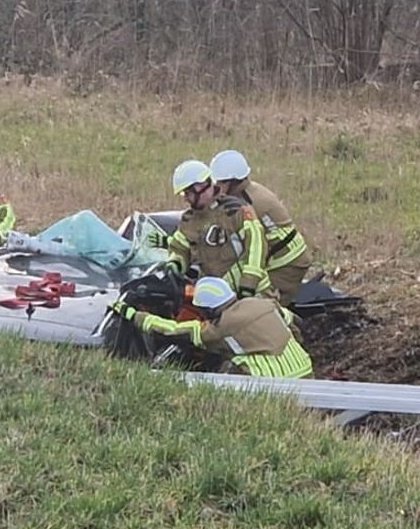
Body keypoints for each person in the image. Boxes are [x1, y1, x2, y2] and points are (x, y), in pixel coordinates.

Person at [109, 276, 313, 378]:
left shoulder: (220, 328)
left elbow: (171, 329)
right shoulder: (263, 304)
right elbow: (294, 322)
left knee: (226, 367)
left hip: (274, 382)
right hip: (305, 371)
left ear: (209, 310)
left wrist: (132, 314)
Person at [209, 149, 313, 306]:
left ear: (233, 182)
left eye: (220, 183)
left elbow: (255, 246)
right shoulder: (245, 192)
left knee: (264, 306)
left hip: (286, 263)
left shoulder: (248, 203)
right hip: (277, 256)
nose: (216, 188)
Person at [165, 159, 272, 299]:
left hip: (254, 292)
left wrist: (248, 284)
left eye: (187, 193)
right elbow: (180, 248)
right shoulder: (189, 221)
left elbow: (256, 247)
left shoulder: (235, 210)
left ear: (201, 188)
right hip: (217, 297)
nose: (186, 199)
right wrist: (176, 263)